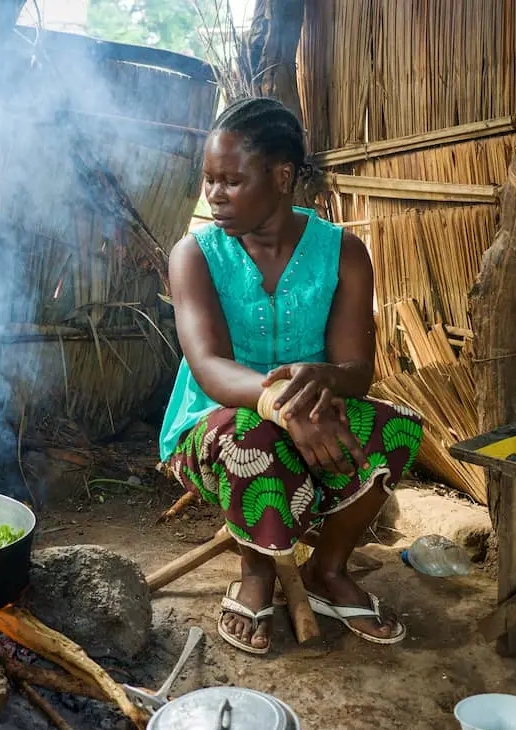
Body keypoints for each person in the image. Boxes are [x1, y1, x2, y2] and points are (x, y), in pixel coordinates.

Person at [159, 97, 423, 655]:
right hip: (213, 421)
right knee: (254, 441)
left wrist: (321, 377)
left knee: (396, 428)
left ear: (282, 177)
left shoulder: (344, 252)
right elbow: (207, 367)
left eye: (231, 180)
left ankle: (329, 570)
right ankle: (255, 571)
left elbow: (357, 372)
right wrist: (282, 403)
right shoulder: (195, 255)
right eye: (209, 180)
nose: (215, 195)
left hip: (313, 414)